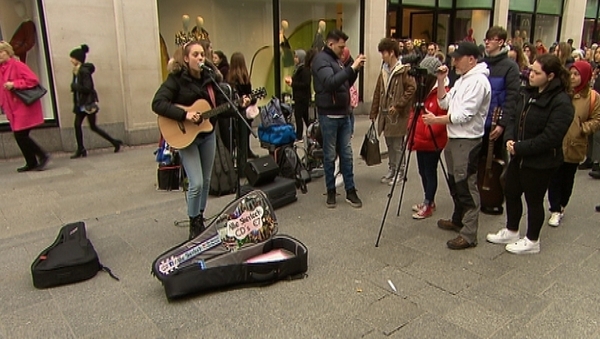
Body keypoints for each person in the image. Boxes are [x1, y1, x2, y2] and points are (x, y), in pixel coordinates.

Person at [152, 41, 250, 240]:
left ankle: (200, 219)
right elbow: (158, 103)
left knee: (205, 181)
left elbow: (220, 110)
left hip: (207, 135)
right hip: (186, 137)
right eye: (195, 54)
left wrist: (239, 105)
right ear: (186, 59)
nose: (199, 58)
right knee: (195, 182)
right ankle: (192, 220)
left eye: (201, 54)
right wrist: (184, 115)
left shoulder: (211, 80)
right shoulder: (176, 80)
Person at [486, 54, 574, 254]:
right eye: (531, 70)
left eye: (537, 72)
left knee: (534, 199)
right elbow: (512, 118)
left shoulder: (561, 101)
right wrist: (509, 138)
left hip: (541, 160)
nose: (531, 74)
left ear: (550, 76)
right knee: (511, 191)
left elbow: (551, 136)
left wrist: (520, 147)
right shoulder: (526, 93)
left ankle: (533, 240)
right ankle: (511, 229)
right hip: (518, 155)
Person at [422, 41, 491, 250]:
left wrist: (436, 121)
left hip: (467, 140)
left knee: (466, 185)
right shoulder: (462, 80)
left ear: (471, 59)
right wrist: (441, 81)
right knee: (455, 182)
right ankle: (458, 219)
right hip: (455, 139)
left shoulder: (478, 82)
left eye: (458, 58)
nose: (454, 62)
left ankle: (469, 234)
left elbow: (463, 115)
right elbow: (444, 102)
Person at [311, 29, 365, 208]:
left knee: (347, 155)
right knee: (329, 155)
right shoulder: (321, 60)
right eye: (341, 46)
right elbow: (330, 83)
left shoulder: (336, 60)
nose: (344, 50)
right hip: (329, 115)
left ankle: (350, 190)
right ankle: (331, 190)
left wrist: (354, 71)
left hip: (344, 113)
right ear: (330, 43)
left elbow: (344, 84)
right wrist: (352, 68)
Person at [546, 61, 600, 227]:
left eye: (577, 74)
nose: (573, 78)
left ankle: (562, 205)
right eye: (571, 74)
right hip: (556, 140)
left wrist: (583, 128)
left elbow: (597, 119)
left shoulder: (592, 97)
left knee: (567, 177)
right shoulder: (561, 93)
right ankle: (554, 208)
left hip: (575, 143)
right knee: (553, 176)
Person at [476, 26, 521, 215]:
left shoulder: (510, 66)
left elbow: (512, 98)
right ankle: (480, 193)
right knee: (479, 160)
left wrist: (502, 124)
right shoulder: (481, 64)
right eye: (486, 39)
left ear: (501, 42)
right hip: (480, 122)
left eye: (491, 39)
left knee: (497, 162)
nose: (487, 42)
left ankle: (495, 198)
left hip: (496, 122)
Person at [369, 38, 416, 186]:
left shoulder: (403, 70)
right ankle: (392, 169)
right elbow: (378, 92)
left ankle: (400, 172)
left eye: (383, 53)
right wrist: (373, 112)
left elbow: (411, 89)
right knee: (389, 143)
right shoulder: (384, 70)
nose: (382, 56)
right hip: (385, 113)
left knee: (397, 145)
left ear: (391, 53)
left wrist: (399, 105)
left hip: (397, 114)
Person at [407, 56, 448, 219]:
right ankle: (428, 200)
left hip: (432, 141)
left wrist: (425, 133)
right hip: (420, 139)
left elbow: (442, 118)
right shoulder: (422, 91)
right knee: (422, 171)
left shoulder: (441, 92)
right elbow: (414, 113)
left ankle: (428, 202)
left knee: (430, 172)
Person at [0, 41, 49, 172]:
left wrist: (15, 84)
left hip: (23, 105)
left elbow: (33, 80)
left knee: (20, 135)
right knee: (20, 135)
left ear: (8, 52)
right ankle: (31, 161)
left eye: (1, 52)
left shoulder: (17, 64)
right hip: (12, 108)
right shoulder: (1, 69)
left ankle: (42, 156)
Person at [69, 44, 122, 158]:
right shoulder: (76, 71)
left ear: (78, 59)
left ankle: (114, 142)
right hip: (81, 104)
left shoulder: (84, 71)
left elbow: (88, 88)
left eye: (72, 58)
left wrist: (75, 87)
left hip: (88, 104)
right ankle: (81, 149)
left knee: (93, 127)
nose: (71, 60)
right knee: (77, 125)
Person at [227, 52, 258, 159]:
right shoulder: (245, 78)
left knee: (237, 135)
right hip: (245, 110)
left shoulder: (229, 78)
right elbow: (250, 94)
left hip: (235, 111)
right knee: (245, 133)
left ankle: (239, 155)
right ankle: (245, 153)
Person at [285, 49, 311, 141]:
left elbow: (305, 84)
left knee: (299, 116)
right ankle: (311, 132)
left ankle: (299, 135)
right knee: (304, 117)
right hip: (299, 97)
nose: (295, 59)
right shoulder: (297, 69)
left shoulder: (305, 70)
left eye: (296, 57)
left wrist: (293, 83)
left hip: (302, 97)